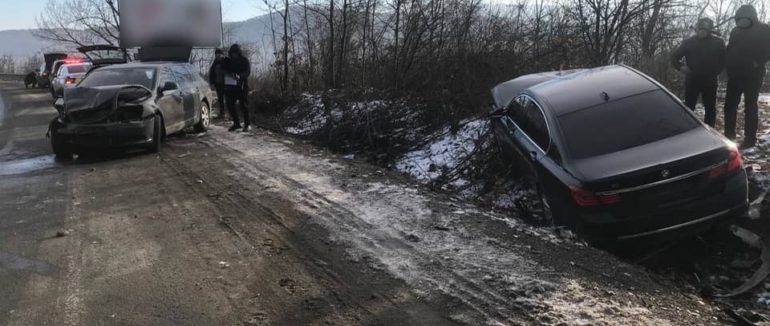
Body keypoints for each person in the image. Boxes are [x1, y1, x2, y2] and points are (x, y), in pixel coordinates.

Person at [723, 4, 770, 148]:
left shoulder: (764, 29)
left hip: (753, 74)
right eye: (740, 19)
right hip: (735, 73)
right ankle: (728, 136)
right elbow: (730, 49)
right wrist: (727, 66)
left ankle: (750, 139)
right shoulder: (735, 31)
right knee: (729, 105)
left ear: (751, 18)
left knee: (750, 106)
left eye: (745, 18)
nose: (742, 21)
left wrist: (758, 61)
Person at [671, 18, 725, 127]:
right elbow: (674, 57)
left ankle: (710, 131)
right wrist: (681, 67)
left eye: (704, 30)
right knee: (689, 107)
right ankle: (687, 128)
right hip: (692, 79)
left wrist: (716, 71)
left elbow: (724, 60)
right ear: (697, 29)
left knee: (710, 108)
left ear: (709, 30)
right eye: (700, 29)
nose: (701, 32)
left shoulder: (718, 42)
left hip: (710, 80)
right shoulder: (689, 42)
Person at [222, 44, 251, 132]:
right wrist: (225, 61)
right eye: (232, 53)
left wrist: (239, 76)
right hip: (231, 86)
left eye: (235, 53)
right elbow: (223, 69)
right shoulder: (229, 61)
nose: (234, 55)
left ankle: (247, 124)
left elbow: (247, 72)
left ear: (238, 53)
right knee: (230, 104)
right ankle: (236, 123)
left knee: (243, 105)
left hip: (242, 86)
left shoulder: (244, 60)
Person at [208, 48, 227, 119]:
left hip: (226, 83)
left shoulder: (226, 61)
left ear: (222, 54)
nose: (217, 56)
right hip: (218, 83)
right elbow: (212, 73)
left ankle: (231, 114)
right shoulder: (215, 62)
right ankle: (222, 113)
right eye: (216, 55)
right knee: (220, 99)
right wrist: (212, 82)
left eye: (219, 54)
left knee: (228, 99)